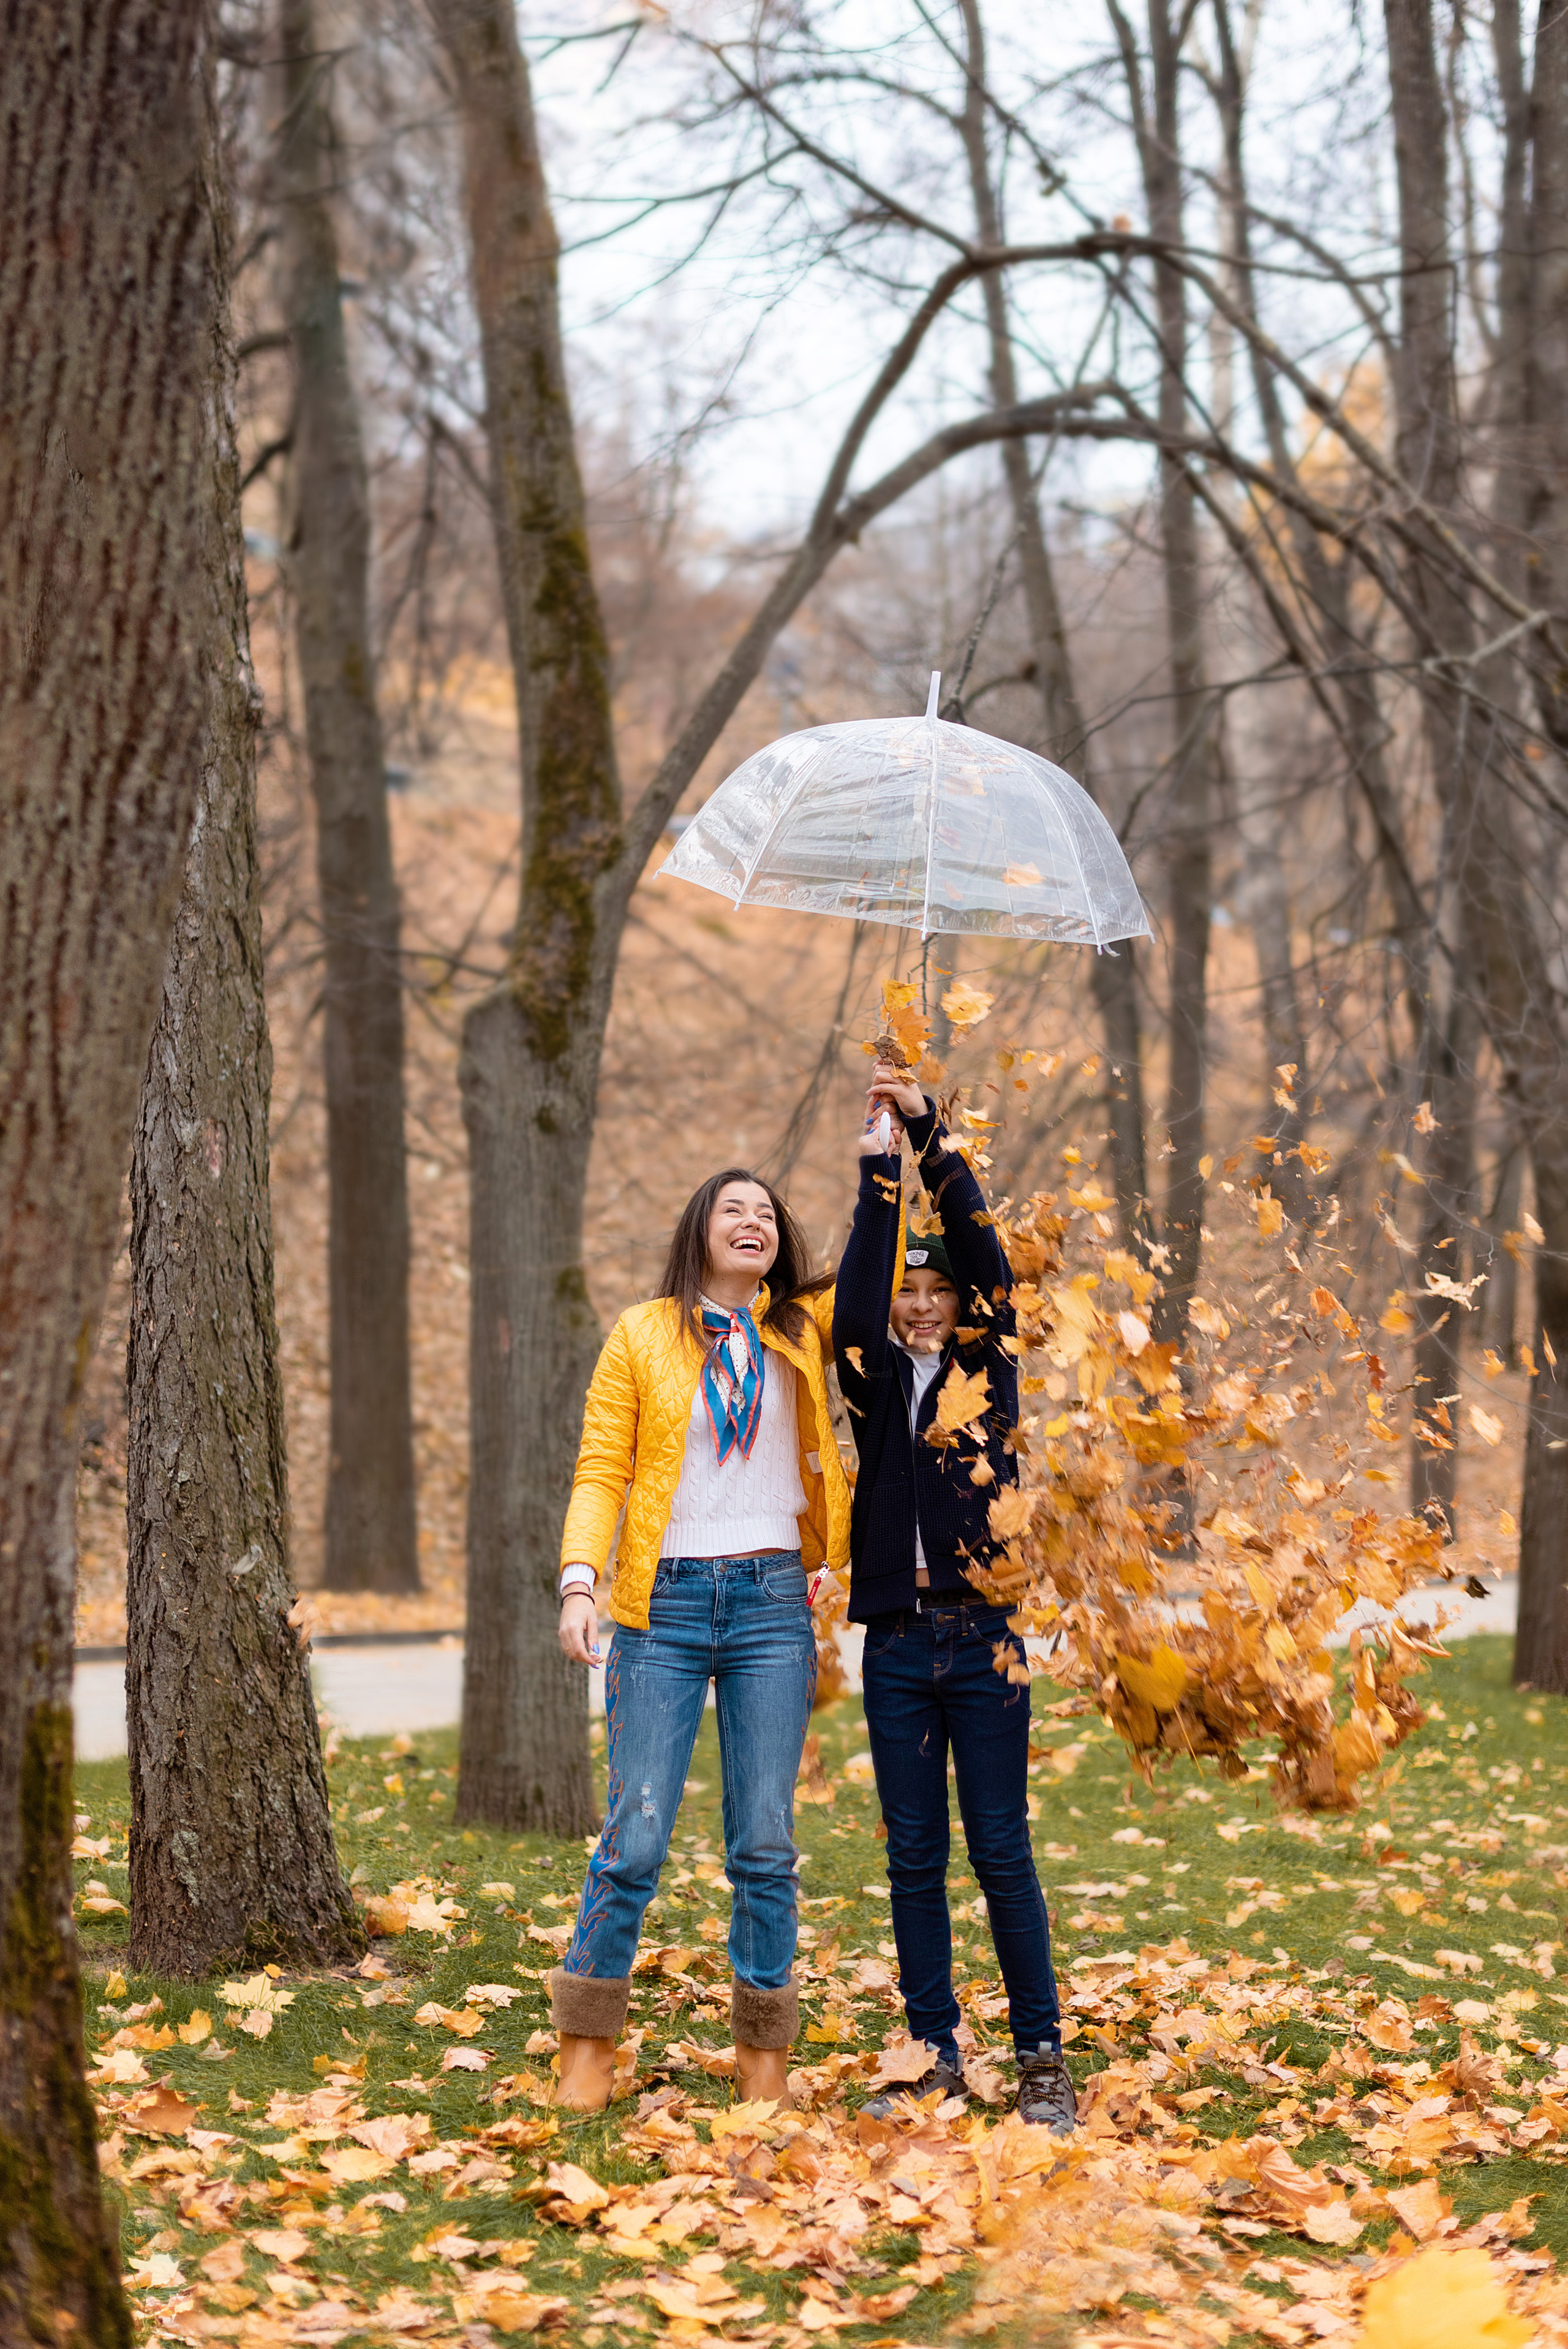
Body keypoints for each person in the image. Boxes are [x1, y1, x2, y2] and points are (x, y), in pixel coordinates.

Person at [551, 1169, 848, 2112]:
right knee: (633, 1838)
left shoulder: (802, 1329)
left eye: (768, 1213)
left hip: (770, 1602)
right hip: (659, 1608)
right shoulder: (642, 1332)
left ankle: (765, 2064)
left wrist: (893, 1141)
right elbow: (603, 1466)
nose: (754, 1222)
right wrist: (579, 1581)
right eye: (736, 1209)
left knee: (764, 1841)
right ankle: (587, 2044)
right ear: (700, 1230)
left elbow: (886, 1271)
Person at [834, 1061, 1076, 2132]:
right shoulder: (876, 1386)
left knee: (1000, 1846)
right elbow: (847, 1301)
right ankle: (929, 2048)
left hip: (986, 1642)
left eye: (935, 1294)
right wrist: (877, 1181)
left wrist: (931, 1138)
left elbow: (986, 1257)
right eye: (909, 1294)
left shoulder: (991, 1367)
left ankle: (1040, 2056)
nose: (924, 1307)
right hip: (897, 1643)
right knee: (913, 1853)